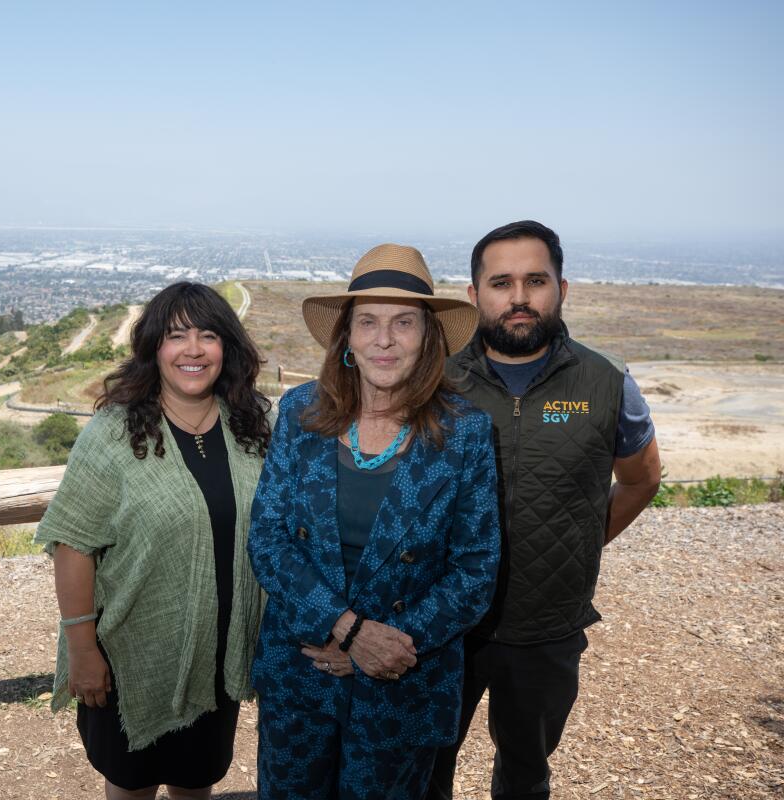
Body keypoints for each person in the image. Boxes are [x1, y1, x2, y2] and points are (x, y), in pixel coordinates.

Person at [248, 244, 502, 800]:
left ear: (429, 337)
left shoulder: (466, 432)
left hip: (402, 684)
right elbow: (267, 539)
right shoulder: (299, 412)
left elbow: (475, 570)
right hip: (302, 675)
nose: (383, 340)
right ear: (346, 337)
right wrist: (347, 629)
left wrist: (382, 648)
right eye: (368, 322)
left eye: (403, 322)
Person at [426, 221, 661, 800]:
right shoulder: (435, 383)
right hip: (442, 625)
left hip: (546, 628)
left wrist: (577, 543)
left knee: (526, 774)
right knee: (423, 769)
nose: (520, 297)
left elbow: (641, 478)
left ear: (562, 289)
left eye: (536, 280)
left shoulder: (607, 381)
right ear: (474, 294)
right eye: (501, 282)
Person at [33, 282, 273, 800]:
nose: (192, 349)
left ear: (226, 348)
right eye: (175, 336)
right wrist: (82, 649)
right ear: (153, 349)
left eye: (208, 335)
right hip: (132, 657)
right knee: (131, 787)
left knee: (196, 782)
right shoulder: (114, 432)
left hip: (219, 652)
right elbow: (73, 543)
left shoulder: (252, 426)